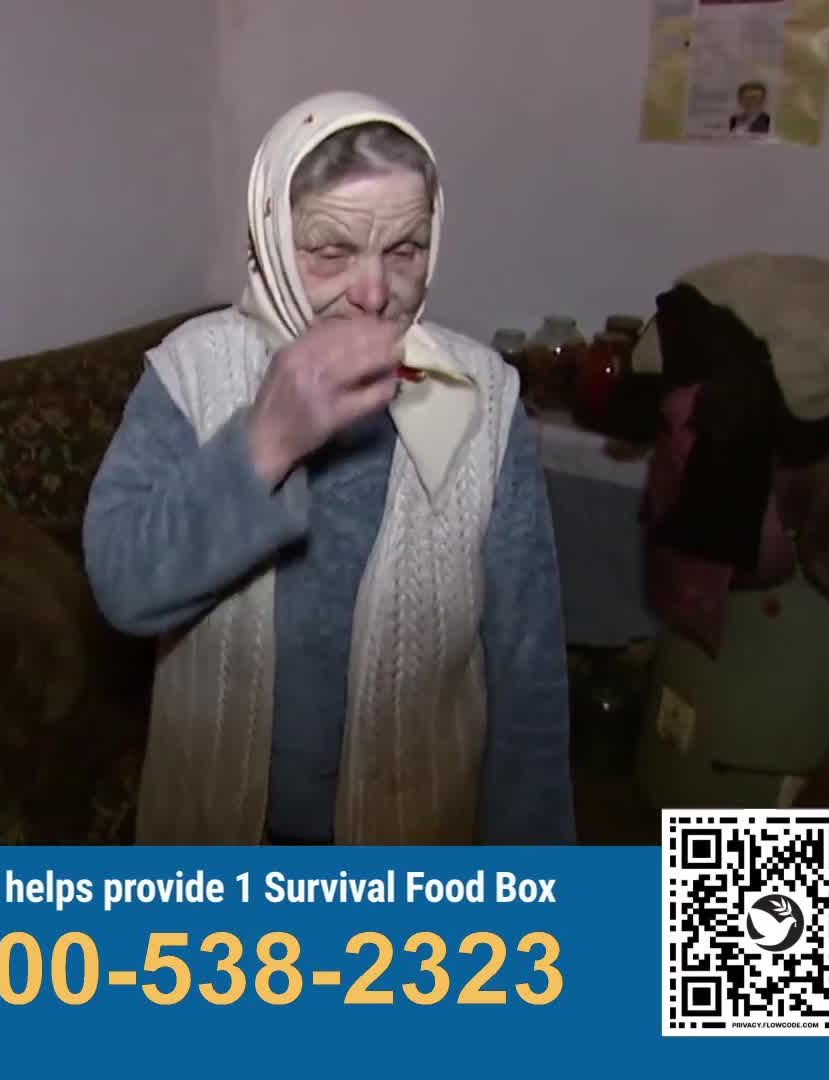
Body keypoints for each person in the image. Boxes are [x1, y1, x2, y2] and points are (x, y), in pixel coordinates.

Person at [84, 91, 574, 845]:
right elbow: (122, 584)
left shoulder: (486, 399)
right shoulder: (191, 373)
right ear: (275, 242)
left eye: (405, 249)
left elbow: (527, 678)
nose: (375, 293)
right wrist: (265, 440)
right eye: (332, 252)